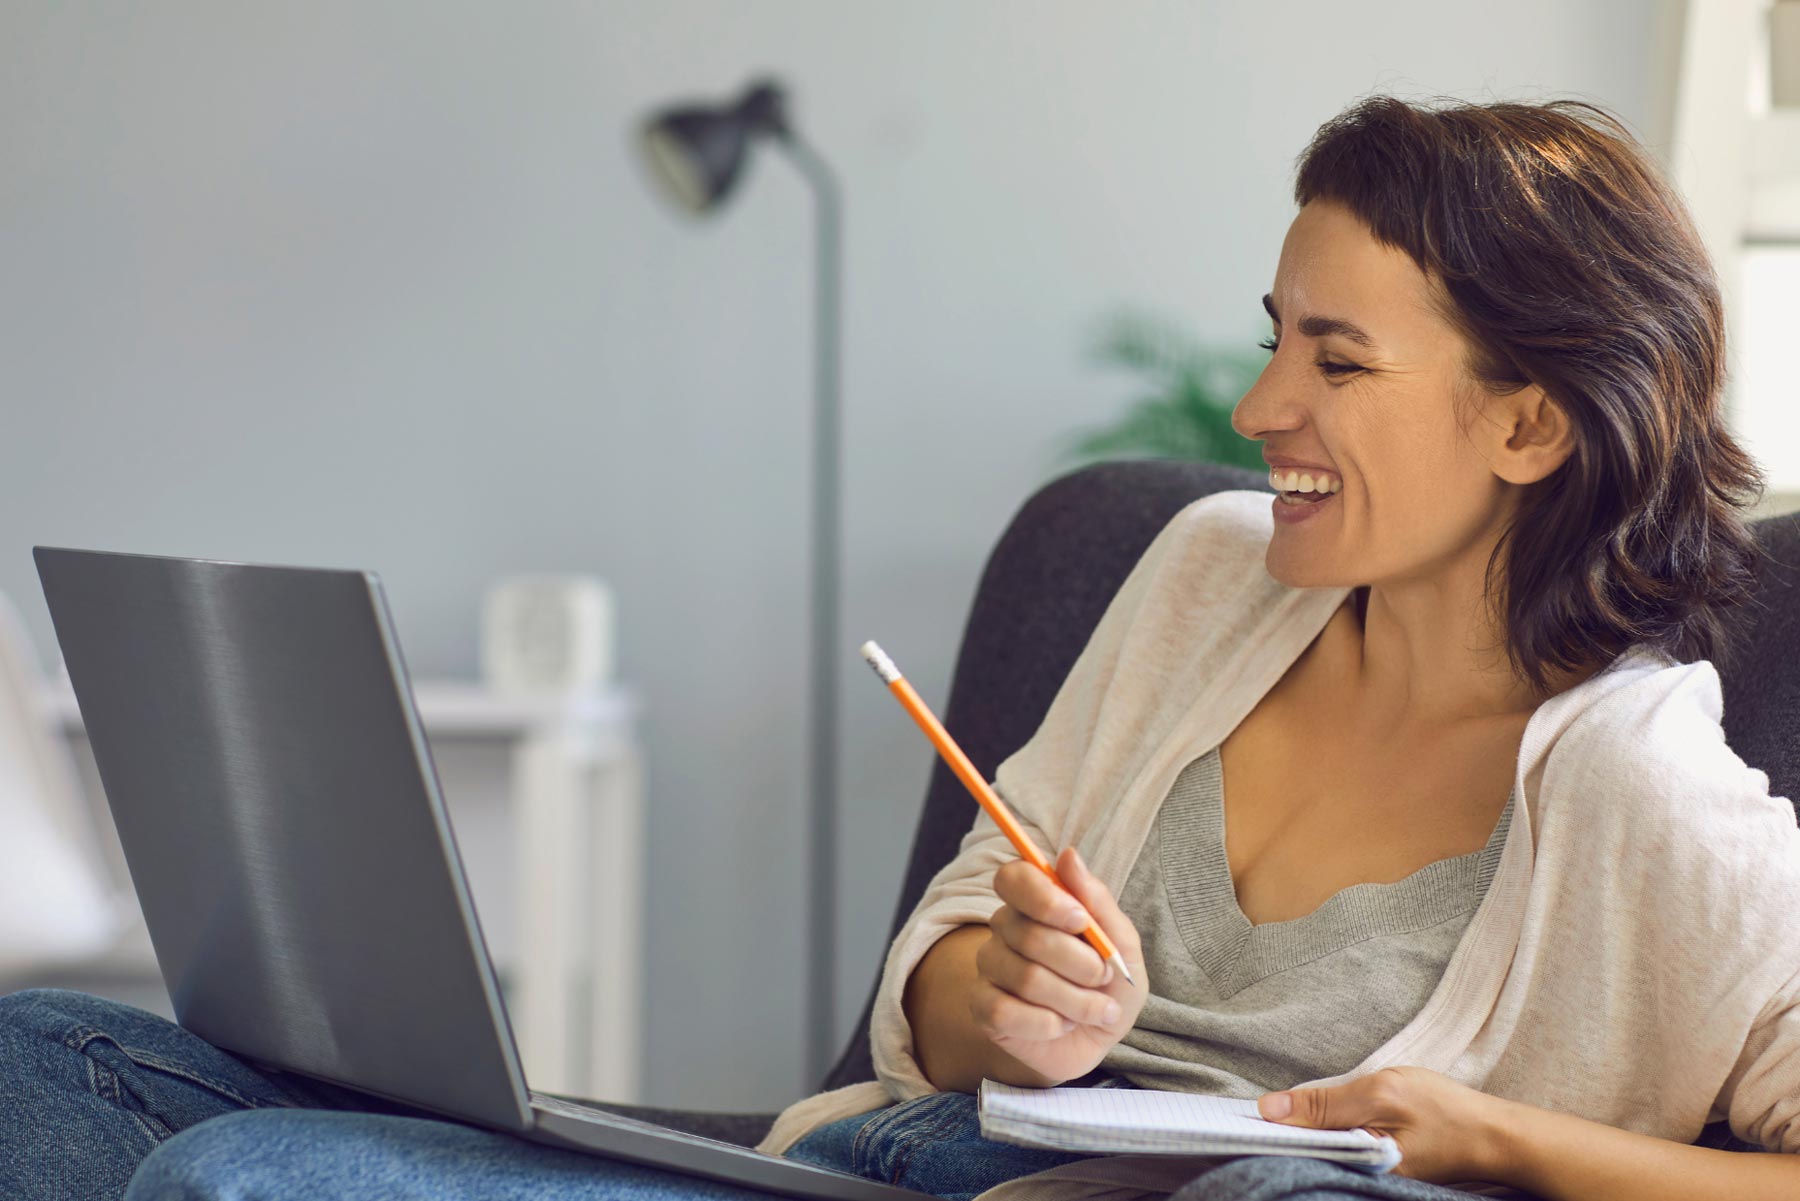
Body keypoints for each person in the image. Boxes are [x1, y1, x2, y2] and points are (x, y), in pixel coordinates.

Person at [2, 91, 1795, 1201]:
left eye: (1338, 359)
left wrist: (1491, 1138)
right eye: (1273, 337)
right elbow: (937, 966)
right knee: (49, 1064)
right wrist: (995, 998)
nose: (1258, 405)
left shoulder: (1652, 793)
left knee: (246, 1179)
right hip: (888, 1161)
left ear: (1532, 428)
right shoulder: (1206, 574)